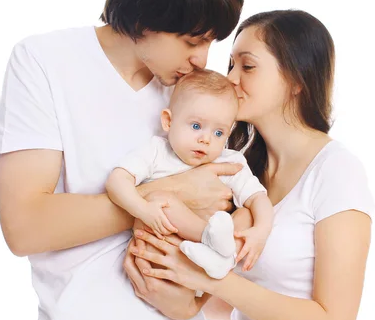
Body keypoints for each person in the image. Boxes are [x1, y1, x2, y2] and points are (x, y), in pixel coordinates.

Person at [0, 0, 243, 320]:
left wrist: (194, 304)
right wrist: (173, 193)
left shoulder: (194, 97)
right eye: (191, 40)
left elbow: (224, 231)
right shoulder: (45, 62)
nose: (203, 59)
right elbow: (25, 226)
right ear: (147, 18)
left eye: (211, 43)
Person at [127, 10, 375, 320]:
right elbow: (228, 304)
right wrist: (174, 287)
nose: (230, 79)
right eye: (230, 65)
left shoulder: (336, 171)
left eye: (248, 66)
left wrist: (210, 279)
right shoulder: (237, 173)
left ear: (296, 80)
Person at [106, 69, 274, 279]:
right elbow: (117, 180)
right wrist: (144, 209)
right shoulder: (157, 151)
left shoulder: (229, 161)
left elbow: (259, 198)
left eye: (218, 133)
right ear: (168, 121)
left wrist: (261, 231)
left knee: (247, 214)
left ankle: (222, 259)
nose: (206, 139)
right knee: (160, 200)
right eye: (196, 126)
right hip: (165, 253)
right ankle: (212, 243)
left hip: (204, 271)